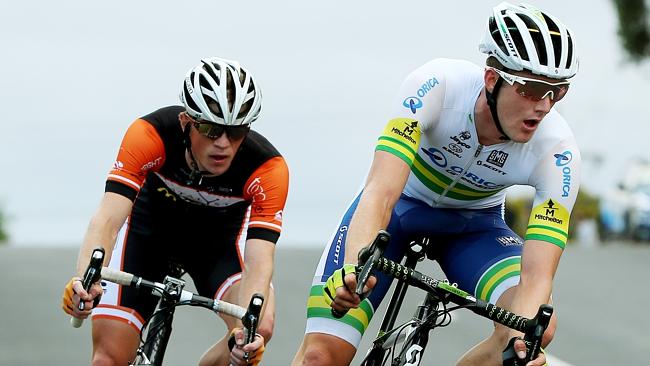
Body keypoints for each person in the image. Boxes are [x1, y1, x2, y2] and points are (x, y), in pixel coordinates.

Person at [292, 2, 579, 365]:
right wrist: (353, 266)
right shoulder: (437, 87)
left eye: (558, 91)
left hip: (474, 227)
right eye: (533, 89)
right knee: (321, 356)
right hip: (399, 212)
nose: (545, 106)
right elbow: (380, 192)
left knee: (535, 329)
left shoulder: (558, 151)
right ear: (492, 79)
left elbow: (538, 273)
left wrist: (522, 339)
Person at [61, 57, 289, 366]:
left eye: (236, 132)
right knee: (108, 359)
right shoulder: (149, 135)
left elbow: (260, 260)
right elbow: (108, 219)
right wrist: (83, 280)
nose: (223, 143)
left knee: (257, 325)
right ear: (186, 122)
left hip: (214, 250)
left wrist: (246, 335)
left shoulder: (267, 168)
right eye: (210, 128)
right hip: (147, 237)